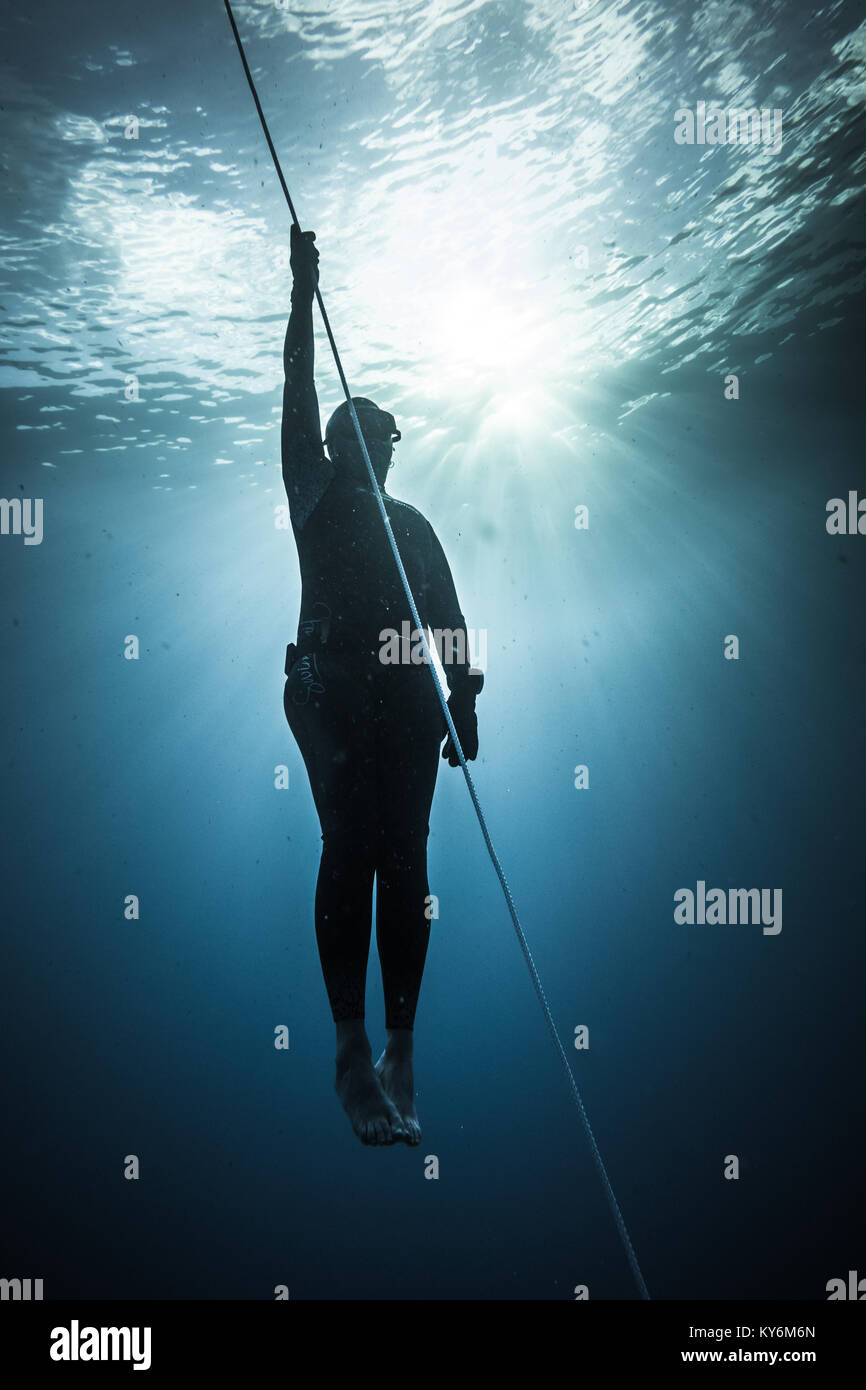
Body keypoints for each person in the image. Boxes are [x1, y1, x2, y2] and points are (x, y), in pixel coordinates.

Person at [281, 225, 483, 1147]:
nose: (380, 450)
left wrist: (465, 697)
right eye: (367, 436)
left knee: (405, 856)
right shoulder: (316, 495)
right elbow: (296, 394)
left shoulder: (413, 524)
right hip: (329, 689)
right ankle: (352, 1045)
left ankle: (398, 1045)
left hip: (401, 701)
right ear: (340, 445)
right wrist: (300, 299)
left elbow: (446, 614)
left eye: (385, 439)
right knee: (356, 839)